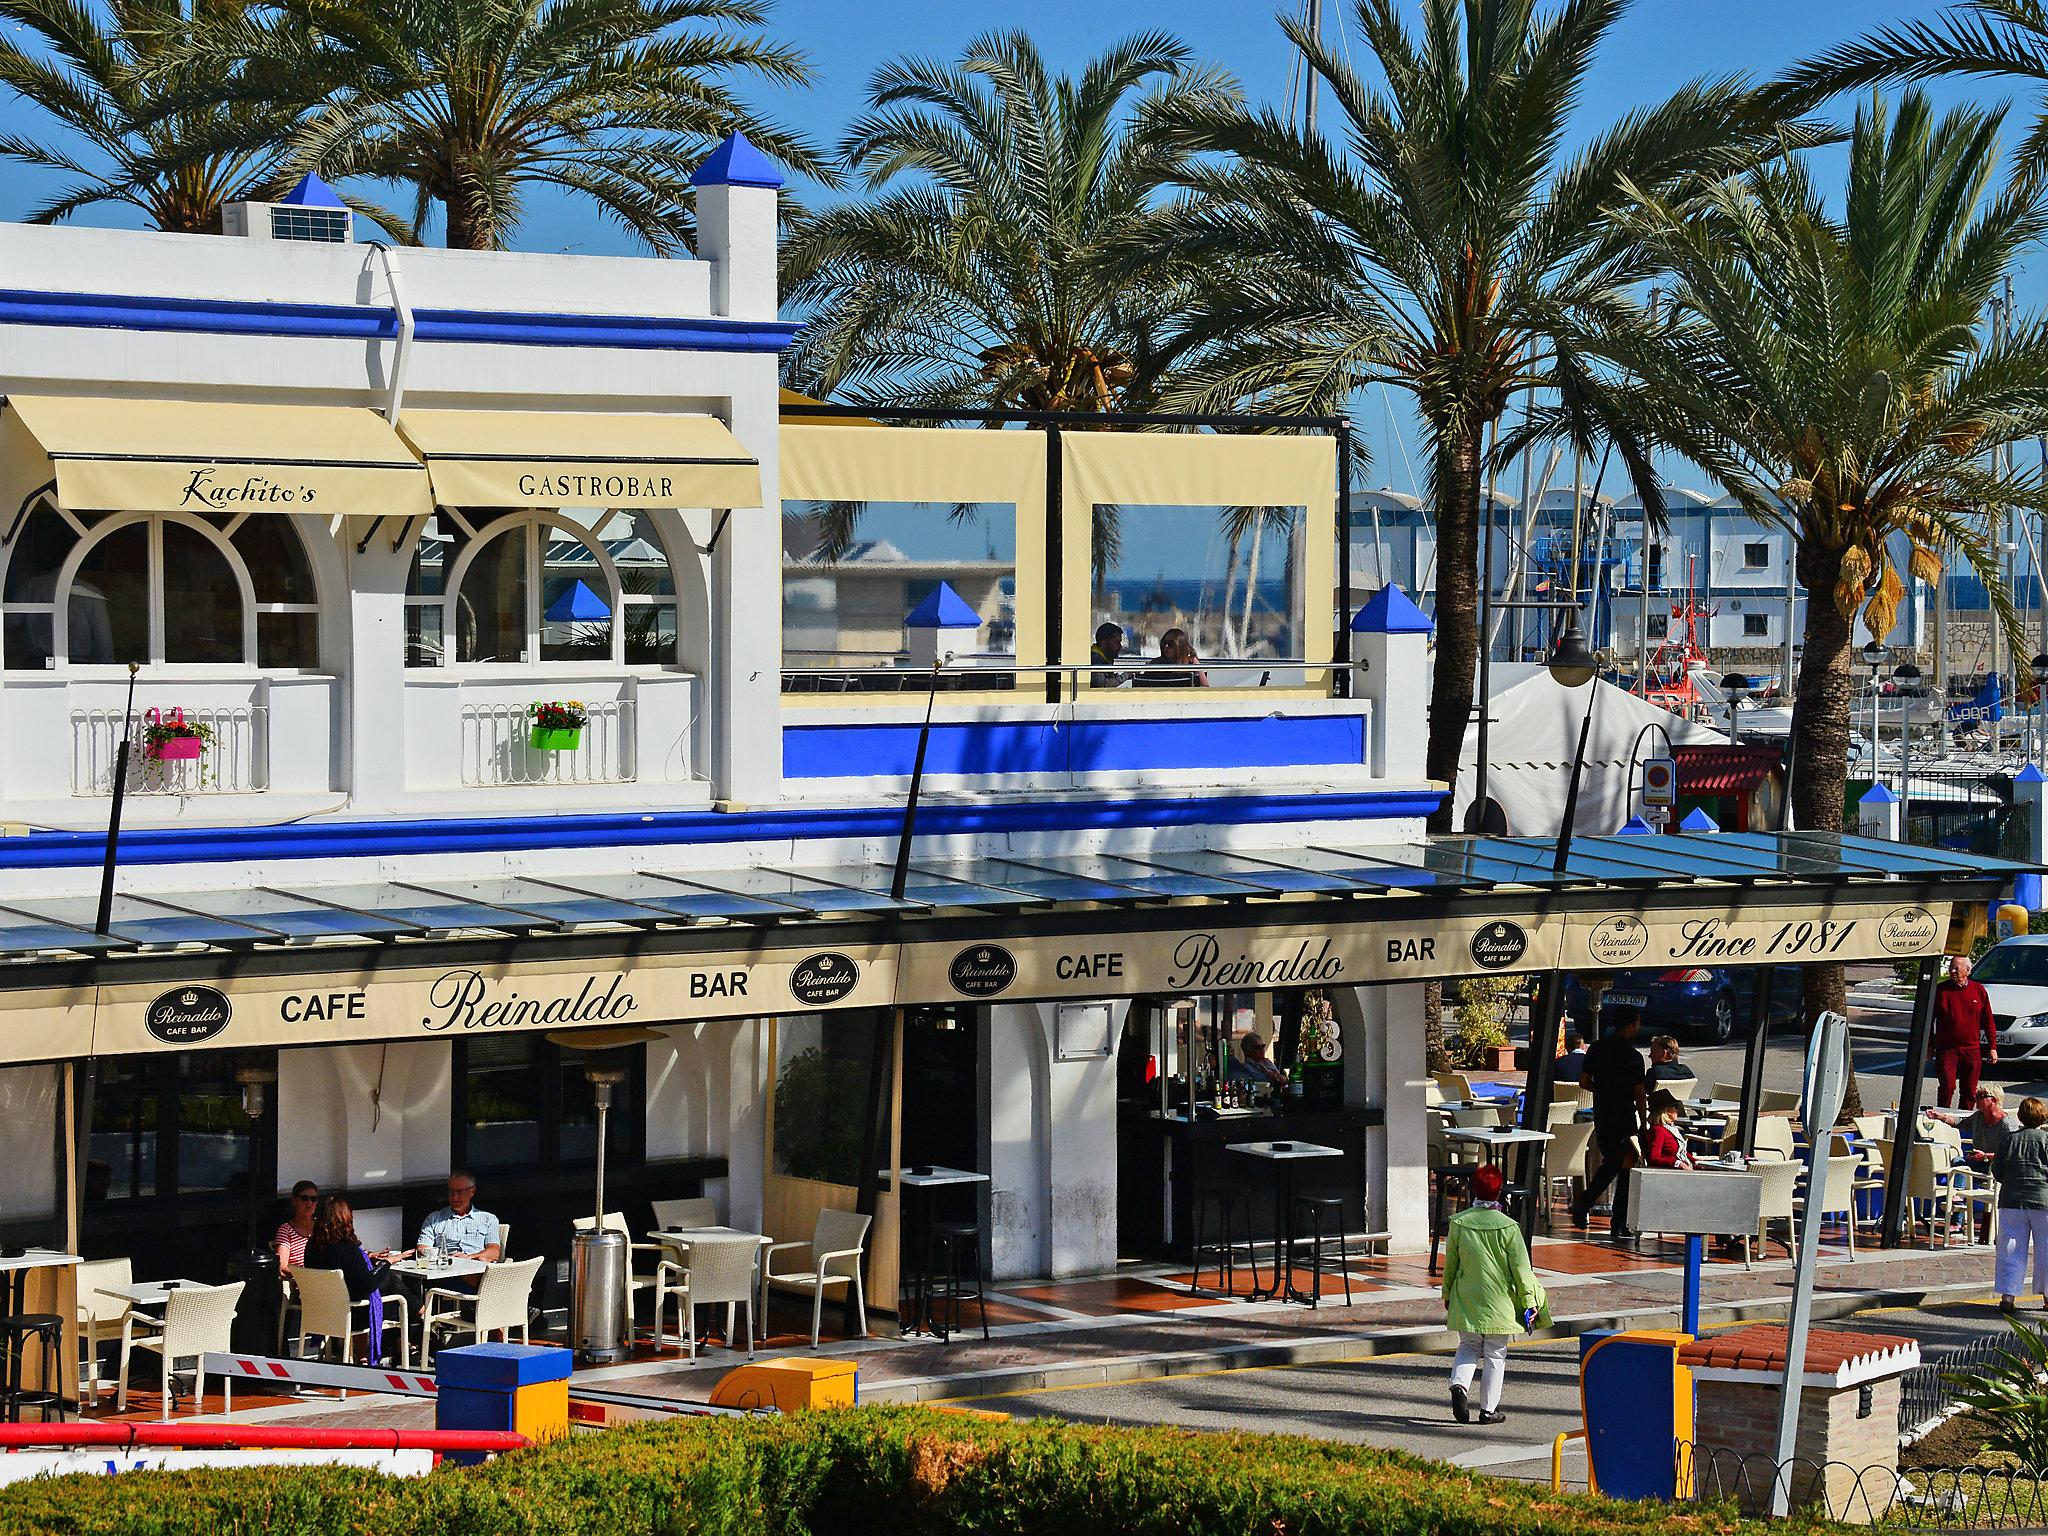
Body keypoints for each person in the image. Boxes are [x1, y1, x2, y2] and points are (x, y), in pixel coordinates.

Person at [1441, 1163, 1549, 1425]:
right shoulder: (1509, 1227)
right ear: (1499, 1191)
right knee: (1495, 1354)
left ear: (1472, 1189)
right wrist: (1529, 1302)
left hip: (1467, 1296)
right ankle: (1488, 1410)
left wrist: (1447, 1294)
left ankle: (1459, 1385)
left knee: (1467, 1346)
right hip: (1499, 1300)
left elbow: (1450, 1266)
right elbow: (1522, 1271)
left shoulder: (1459, 1223)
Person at [1570, 1009, 1648, 1238]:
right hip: (1624, 1116)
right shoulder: (1634, 1057)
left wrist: (1603, 1091)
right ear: (1631, 1026)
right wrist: (1643, 1122)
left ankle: (1588, 1203)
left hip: (1603, 1114)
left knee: (1614, 1162)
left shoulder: (1596, 1049)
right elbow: (1640, 1094)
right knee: (1624, 1165)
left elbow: (1584, 1082)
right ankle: (1615, 1218)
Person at [303, 1194, 393, 1362]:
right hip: (350, 1314)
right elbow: (367, 1283)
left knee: (389, 1285)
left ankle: (364, 1355)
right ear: (346, 1220)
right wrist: (387, 1263)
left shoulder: (312, 1246)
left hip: (321, 1312)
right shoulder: (348, 1251)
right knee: (394, 1287)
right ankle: (414, 1332)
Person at [1991, 1096, 2048, 1312]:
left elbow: (1997, 1171)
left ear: (2021, 1117)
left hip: (2012, 1199)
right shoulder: (2046, 1140)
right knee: (2046, 1249)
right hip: (2043, 1199)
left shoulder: (2009, 1139)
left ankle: (2008, 1295)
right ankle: (2047, 1296)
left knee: (2010, 1248)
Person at [1933, 953, 1998, 1109]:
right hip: (1947, 1049)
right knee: (1947, 1086)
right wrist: (1928, 1046)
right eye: (1951, 968)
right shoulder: (1941, 991)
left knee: (1969, 1091)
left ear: (1967, 970)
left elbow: (1988, 1021)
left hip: (1971, 1049)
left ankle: (1965, 1123)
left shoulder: (1979, 990)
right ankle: (1942, 1117)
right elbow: (1928, 1020)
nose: (1953, 971)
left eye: (1956, 968)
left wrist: (1992, 1047)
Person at [417, 1172, 502, 1266]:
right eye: (451, 1192)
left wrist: (468, 1258)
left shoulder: (488, 1219)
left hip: (475, 1265)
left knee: (482, 1260)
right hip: (444, 1269)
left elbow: (494, 1252)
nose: (454, 1197)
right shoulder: (434, 1219)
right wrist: (446, 1257)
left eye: (460, 1192)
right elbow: (422, 1250)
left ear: (472, 1191)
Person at [272, 1179, 319, 1273]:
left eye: (313, 1199)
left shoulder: (321, 1226)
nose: (309, 1203)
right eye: (304, 1198)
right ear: (294, 1201)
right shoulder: (286, 1230)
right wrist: (306, 1276)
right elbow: (282, 1267)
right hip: (300, 1283)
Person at [1643, 1090, 1695, 1170]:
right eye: (1676, 1107)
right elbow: (1654, 1157)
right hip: (1672, 1172)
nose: (1677, 1110)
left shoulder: (1670, 1128)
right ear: (1667, 1111)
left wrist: (1695, 1161)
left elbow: (1679, 1151)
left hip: (1684, 1167)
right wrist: (1676, 1163)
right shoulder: (1659, 1131)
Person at [1143, 627, 1208, 688]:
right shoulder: (1156, 663)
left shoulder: (1191, 662)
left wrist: (1195, 664)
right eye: (1164, 643)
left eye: (1171, 644)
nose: (1166, 646)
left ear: (1180, 646)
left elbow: (1205, 687)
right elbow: (1142, 683)